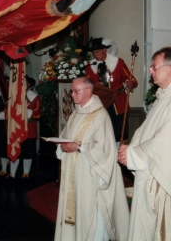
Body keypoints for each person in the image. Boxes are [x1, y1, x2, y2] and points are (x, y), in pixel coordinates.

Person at [118, 47, 171, 240]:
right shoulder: (165, 96)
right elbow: (145, 131)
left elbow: (167, 141)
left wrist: (132, 154)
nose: (150, 71)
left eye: (154, 66)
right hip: (149, 173)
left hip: (164, 178)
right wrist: (129, 150)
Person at [54, 77, 129, 241]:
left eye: (75, 91)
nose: (72, 94)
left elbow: (105, 150)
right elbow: (66, 136)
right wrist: (62, 145)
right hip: (74, 173)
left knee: (91, 217)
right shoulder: (76, 113)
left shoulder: (100, 115)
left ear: (88, 91)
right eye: (72, 91)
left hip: (90, 175)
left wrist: (79, 147)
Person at [86, 37, 138, 146]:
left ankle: (118, 157)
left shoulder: (118, 63)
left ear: (105, 50)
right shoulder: (90, 67)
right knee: (102, 132)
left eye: (98, 51)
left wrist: (130, 83)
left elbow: (131, 79)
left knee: (119, 133)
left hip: (118, 104)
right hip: (101, 104)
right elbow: (87, 84)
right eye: (93, 52)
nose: (95, 55)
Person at [8, 75, 42, 179]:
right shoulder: (13, 96)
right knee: (15, 150)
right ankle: (12, 173)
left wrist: (24, 112)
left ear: (29, 84)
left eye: (24, 83)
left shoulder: (34, 97)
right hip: (16, 127)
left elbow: (38, 112)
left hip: (29, 127)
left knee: (28, 151)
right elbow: (8, 110)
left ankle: (26, 173)